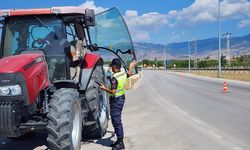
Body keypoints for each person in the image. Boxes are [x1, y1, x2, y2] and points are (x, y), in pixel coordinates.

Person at [100, 58, 137, 150]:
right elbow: (129, 74)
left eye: (112, 66)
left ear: (115, 66)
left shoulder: (114, 78)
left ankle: (120, 143)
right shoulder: (123, 74)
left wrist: (104, 88)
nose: (111, 68)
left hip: (116, 101)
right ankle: (118, 141)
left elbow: (113, 91)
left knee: (117, 122)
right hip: (121, 99)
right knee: (116, 121)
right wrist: (131, 66)